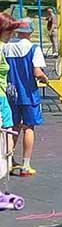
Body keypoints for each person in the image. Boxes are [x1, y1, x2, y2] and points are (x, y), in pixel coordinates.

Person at [3, 18, 48, 177]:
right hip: (29, 93)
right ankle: (26, 165)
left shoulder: (7, 47)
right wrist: (45, 78)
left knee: (12, 127)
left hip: (11, 93)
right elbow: (37, 72)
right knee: (29, 127)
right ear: (30, 32)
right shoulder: (34, 48)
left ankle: (8, 161)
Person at [0, 14, 16, 161]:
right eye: (10, 31)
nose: (12, 34)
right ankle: (7, 160)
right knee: (7, 130)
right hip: (1, 97)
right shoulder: (1, 48)